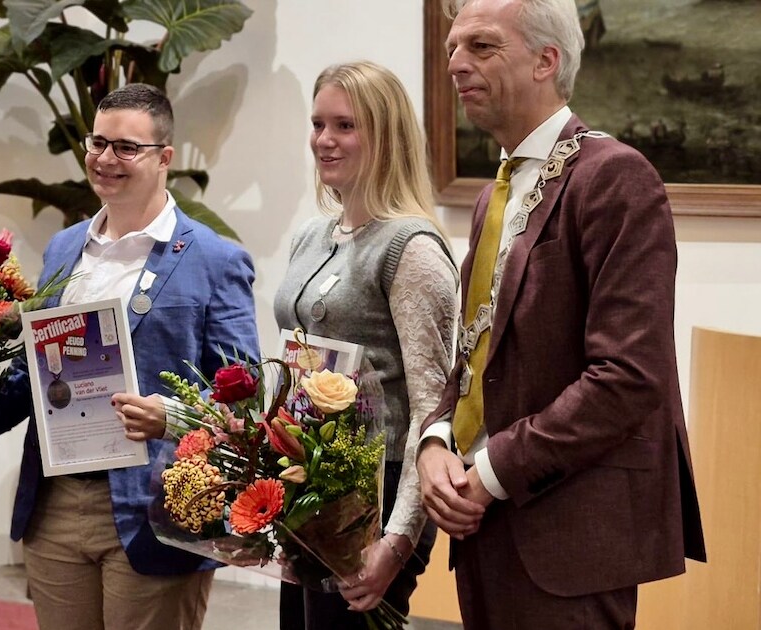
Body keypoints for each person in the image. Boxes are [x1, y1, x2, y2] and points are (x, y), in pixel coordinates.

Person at [416, 1, 706, 628]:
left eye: (482, 47)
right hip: (487, 526)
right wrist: (438, 439)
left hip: (569, 534)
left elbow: (628, 376)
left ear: (548, 60)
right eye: (452, 50)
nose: (457, 65)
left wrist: (489, 471)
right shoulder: (499, 190)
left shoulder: (616, 177)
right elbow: (479, 349)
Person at [0, 83, 260, 630]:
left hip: (154, 503)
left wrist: (174, 416)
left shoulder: (215, 258)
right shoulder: (65, 248)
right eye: (98, 142)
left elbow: (244, 387)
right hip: (57, 502)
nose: (106, 158)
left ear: (165, 158)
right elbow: (36, 373)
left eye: (126, 148)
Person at [272, 61, 457, 628]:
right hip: (311, 488)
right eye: (318, 123)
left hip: (375, 500)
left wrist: (398, 540)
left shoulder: (412, 248)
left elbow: (431, 410)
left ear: (386, 135)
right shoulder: (311, 233)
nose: (324, 140)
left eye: (345, 126)